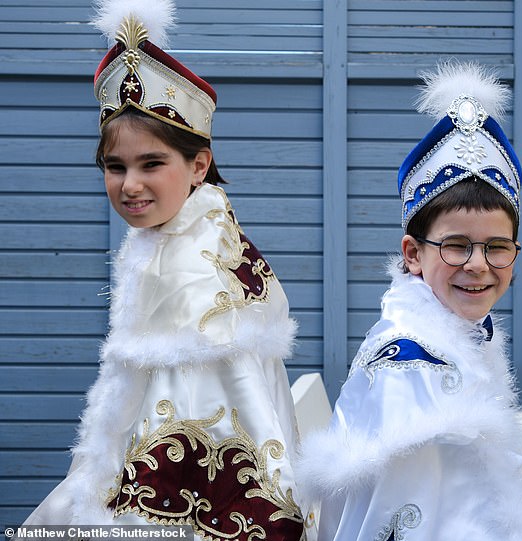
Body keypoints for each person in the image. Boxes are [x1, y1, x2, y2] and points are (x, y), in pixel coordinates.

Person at [19, 1, 315, 540]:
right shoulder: (183, 241)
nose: (129, 184)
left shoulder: (197, 270)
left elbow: (216, 425)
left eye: (151, 163)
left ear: (198, 165)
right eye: (116, 166)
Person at [297, 62, 522, 541]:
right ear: (413, 253)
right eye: (456, 245)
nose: (478, 265)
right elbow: (405, 517)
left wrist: (506, 506)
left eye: (497, 247)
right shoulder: (414, 368)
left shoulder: (458, 330)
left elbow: (460, 482)